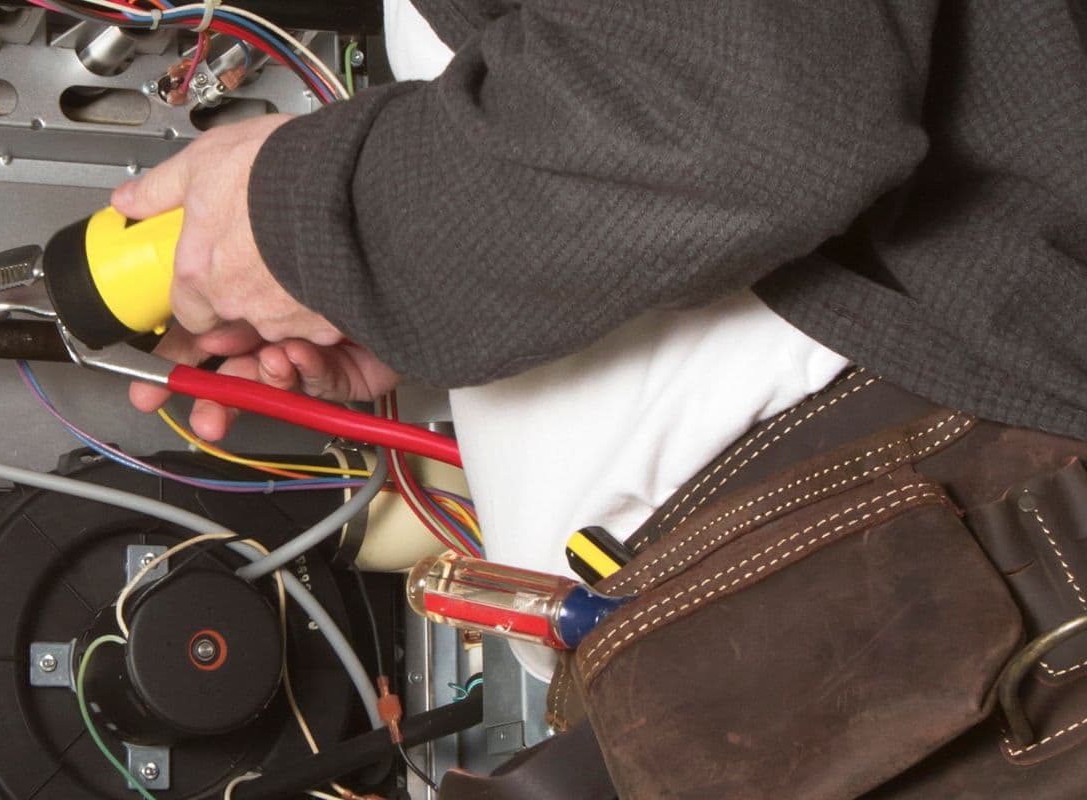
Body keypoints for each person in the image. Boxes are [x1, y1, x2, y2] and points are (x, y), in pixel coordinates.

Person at [116, 1, 1086, 795]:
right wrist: (423, 295)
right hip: (799, 645)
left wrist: (303, 221)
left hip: (959, 582)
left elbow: (748, 106)